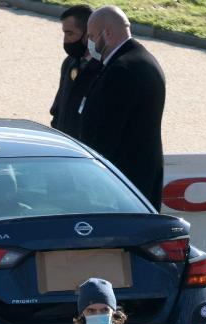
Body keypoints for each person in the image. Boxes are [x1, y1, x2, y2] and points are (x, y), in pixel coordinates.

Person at [78, 6, 166, 208]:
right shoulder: (140, 59)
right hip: (137, 179)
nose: (88, 42)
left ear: (106, 33)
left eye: (91, 36)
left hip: (121, 185)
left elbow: (107, 132)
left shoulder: (122, 69)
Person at [49, 4, 100, 139]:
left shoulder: (103, 69)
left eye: (70, 33)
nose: (65, 40)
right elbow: (59, 107)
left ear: (88, 34)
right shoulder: (70, 63)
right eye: (64, 33)